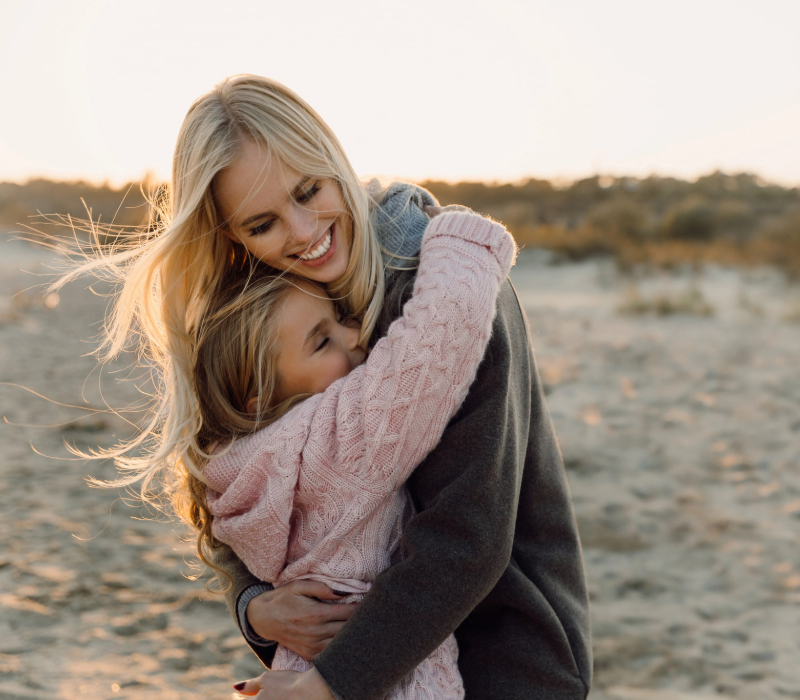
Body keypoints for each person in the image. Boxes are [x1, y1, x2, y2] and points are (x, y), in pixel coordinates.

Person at [68, 74, 591, 699]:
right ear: (231, 234)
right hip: (351, 665)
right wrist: (254, 605)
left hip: (503, 657)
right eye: (262, 223)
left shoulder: (452, 292)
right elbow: (250, 477)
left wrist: (328, 687)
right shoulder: (270, 309)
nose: (301, 230)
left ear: (332, 155)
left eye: (309, 190)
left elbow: (468, 535)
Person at [193, 206, 516, 698]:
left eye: (340, 318)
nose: (356, 336)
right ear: (261, 398)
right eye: (322, 342)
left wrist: (251, 606)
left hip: (304, 666)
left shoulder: (229, 470)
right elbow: (440, 333)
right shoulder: (335, 444)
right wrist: (456, 234)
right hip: (388, 679)